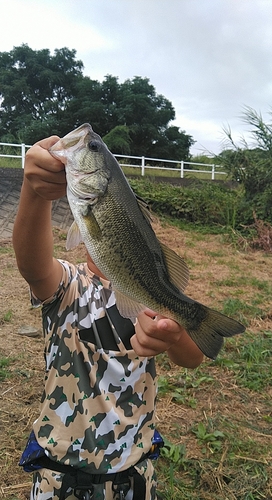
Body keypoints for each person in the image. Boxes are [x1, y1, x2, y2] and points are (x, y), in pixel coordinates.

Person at [13, 135, 204, 500]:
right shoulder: (67, 285)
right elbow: (33, 266)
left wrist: (173, 334)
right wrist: (34, 193)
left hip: (134, 475)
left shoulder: (151, 296)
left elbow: (193, 357)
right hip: (60, 475)